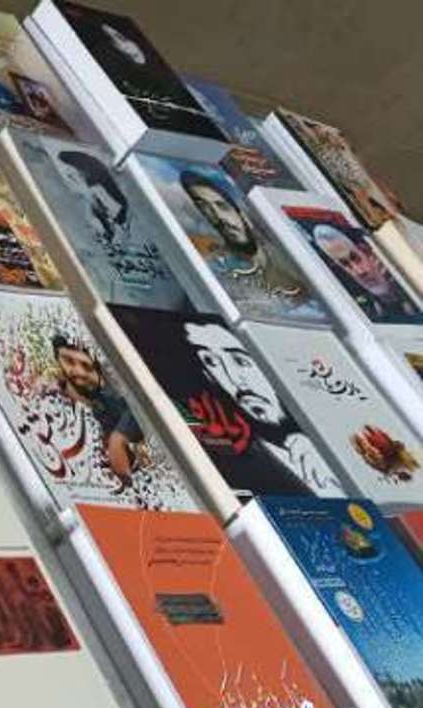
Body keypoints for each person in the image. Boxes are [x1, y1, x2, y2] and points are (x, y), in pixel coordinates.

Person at [183, 320, 341, 496]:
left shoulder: (335, 432)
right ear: (208, 375)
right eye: (211, 361)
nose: (234, 380)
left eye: (241, 361)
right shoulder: (232, 461)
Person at [179, 169, 310, 301]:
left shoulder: (289, 253)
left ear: (243, 216)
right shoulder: (218, 272)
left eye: (222, 206)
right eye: (205, 210)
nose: (220, 217)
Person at [51, 333, 145, 482]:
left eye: (71, 361)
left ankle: (126, 468)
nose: (71, 370)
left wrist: (117, 441)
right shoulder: (89, 396)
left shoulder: (106, 375)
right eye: (65, 363)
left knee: (116, 438)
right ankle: (128, 466)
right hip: (107, 412)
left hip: (126, 409)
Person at [310, 223, 421, 321]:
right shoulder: (366, 312)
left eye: (357, 258)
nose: (359, 272)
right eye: (345, 264)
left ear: (368, 253)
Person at [55, 149, 131, 245]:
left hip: (98, 173)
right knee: (95, 201)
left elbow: (90, 176)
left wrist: (86, 183)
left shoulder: (78, 161)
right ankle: (110, 226)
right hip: (98, 172)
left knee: (95, 201)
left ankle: (110, 227)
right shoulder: (77, 160)